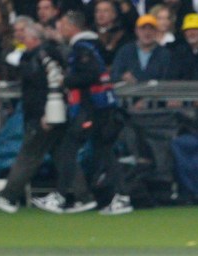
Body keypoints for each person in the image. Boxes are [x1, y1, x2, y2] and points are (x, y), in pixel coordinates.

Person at [33, 10, 133, 215]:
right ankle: (121, 197)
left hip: (91, 109)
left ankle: (61, 197)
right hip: (101, 108)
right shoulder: (92, 44)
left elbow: (92, 75)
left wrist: (66, 81)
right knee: (104, 153)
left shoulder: (82, 48)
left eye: (62, 25)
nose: (59, 29)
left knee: (69, 148)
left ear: (72, 26)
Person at [0, 18, 67, 213]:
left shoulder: (43, 56)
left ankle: (8, 197)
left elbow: (50, 85)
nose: (23, 40)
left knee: (28, 156)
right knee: (63, 155)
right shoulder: (36, 55)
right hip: (47, 112)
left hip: (43, 114)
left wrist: (48, 113)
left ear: (34, 38)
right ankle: (82, 195)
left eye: (26, 36)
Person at [110, 13, 172, 83]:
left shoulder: (164, 54)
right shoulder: (125, 51)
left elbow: (168, 80)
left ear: (156, 31)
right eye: (143, 28)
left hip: (155, 93)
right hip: (129, 92)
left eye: (151, 28)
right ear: (136, 31)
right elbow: (114, 75)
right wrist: (122, 77)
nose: (147, 32)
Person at [93, 0, 131, 66]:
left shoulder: (122, 34)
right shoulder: (90, 33)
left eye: (105, 11)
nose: (100, 14)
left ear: (114, 15)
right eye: (97, 11)